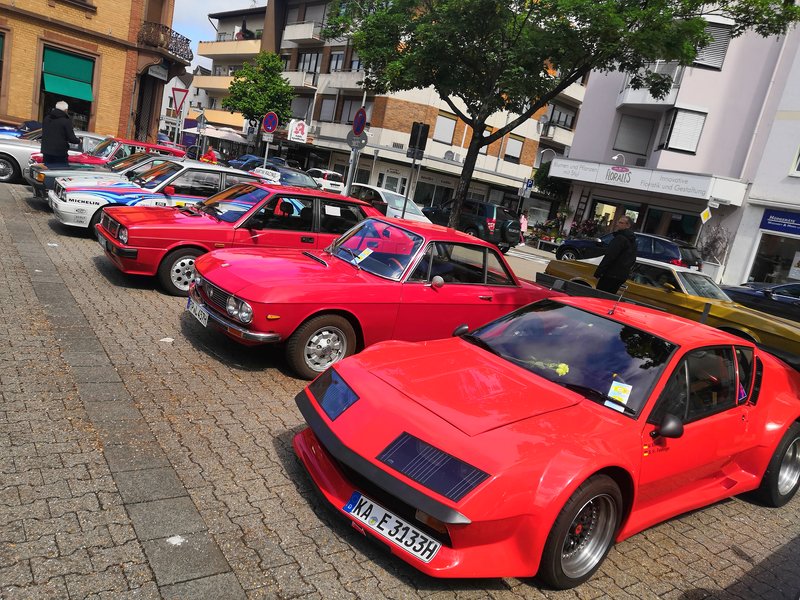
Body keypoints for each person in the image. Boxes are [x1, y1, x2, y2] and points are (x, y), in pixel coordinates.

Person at [594, 215, 637, 295]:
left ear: (628, 225)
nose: (617, 224)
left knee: (600, 297)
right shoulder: (633, 241)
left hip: (610, 274)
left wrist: (599, 271)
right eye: (618, 222)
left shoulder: (620, 238)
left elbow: (610, 256)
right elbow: (632, 259)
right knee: (609, 298)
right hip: (621, 276)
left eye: (621, 223)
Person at [41, 100, 79, 168]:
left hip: (46, 151)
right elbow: (71, 138)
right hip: (59, 153)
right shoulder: (66, 121)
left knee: (47, 172)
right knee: (60, 172)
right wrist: (79, 141)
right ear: (66, 110)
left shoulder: (47, 118)